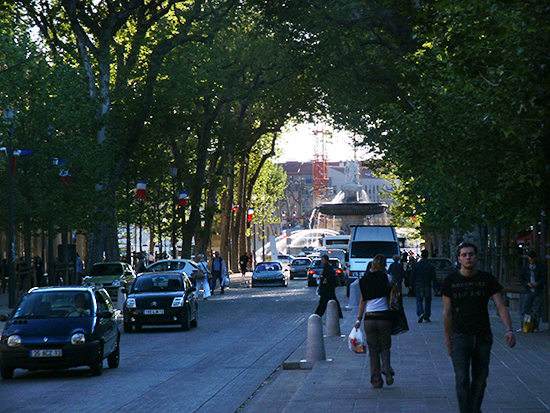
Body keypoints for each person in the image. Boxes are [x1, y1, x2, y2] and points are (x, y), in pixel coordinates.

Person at [442, 242, 516, 413]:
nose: (468, 257)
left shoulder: (487, 279)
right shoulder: (451, 281)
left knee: (480, 379)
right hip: (459, 336)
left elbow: (501, 306)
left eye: (471, 254)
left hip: (482, 336)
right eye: (464, 254)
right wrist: (448, 340)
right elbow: (447, 314)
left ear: (477, 256)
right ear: (459, 258)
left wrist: (509, 329)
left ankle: (473, 409)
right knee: (461, 377)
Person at [355, 254, 394, 388]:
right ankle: (386, 367)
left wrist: (359, 319)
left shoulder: (364, 280)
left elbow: (362, 302)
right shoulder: (387, 278)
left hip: (369, 318)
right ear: (384, 264)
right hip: (384, 317)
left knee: (373, 350)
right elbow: (393, 298)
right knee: (385, 346)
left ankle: (376, 380)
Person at [519, 250, 546, 332]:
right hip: (528, 289)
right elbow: (521, 278)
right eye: (530, 260)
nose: (531, 261)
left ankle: (535, 327)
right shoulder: (525, 266)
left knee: (537, 310)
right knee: (525, 309)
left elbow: (544, 278)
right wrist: (527, 284)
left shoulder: (540, 267)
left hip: (538, 290)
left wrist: (538, 283)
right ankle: (522, 325)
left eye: (532, 260)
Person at [411, 249, 436, 322]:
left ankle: (420, 312)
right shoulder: (430, 266)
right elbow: (433, 277)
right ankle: (426, 316)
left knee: (419, 300)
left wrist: (411, 284)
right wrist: (435, 287)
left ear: (421, 255)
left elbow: (413, 275)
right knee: (427, 301)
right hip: (427, 285)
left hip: (419, 284)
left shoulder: (416, 265)